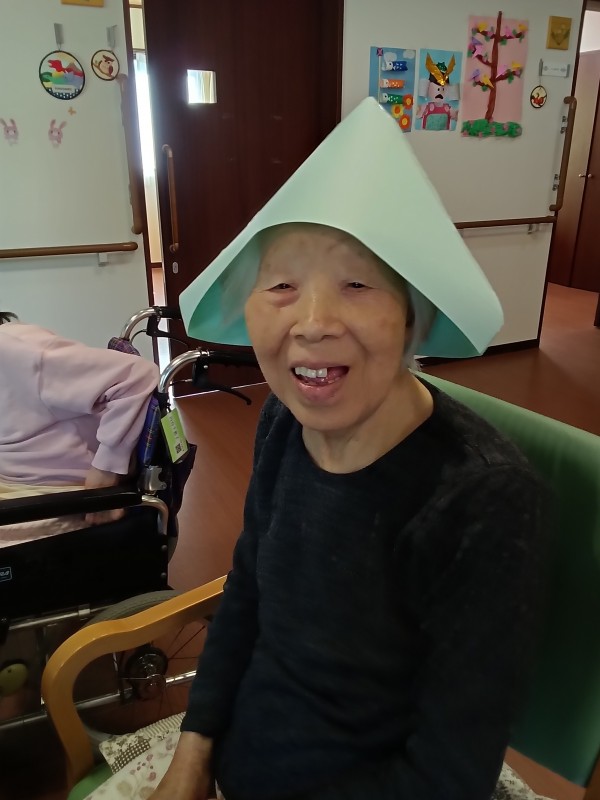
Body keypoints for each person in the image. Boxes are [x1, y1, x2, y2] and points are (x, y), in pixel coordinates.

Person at [146, 98, 546, 800]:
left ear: (415, 316)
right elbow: (247, 592)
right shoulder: (281, 422)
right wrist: (192, 758)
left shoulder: (482, 498)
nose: (313, 323)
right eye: (281, 285)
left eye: (357, 284)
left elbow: (448, 772)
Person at [0, 312, 159, 542]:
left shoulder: (17, 352)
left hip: (57, 498)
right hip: (19, 483)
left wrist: (106, 468)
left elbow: (138, 375)